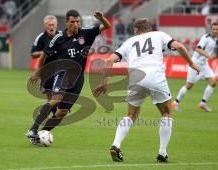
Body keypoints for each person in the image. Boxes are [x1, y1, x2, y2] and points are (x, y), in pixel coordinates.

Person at [93, 18, 200, 162]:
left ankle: (116, 144)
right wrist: (191, 64)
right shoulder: (159, 34)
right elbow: (180, 46)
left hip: (136, 78)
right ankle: (162, 152)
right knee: (166, 112)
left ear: (136, 31)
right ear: (150, 29)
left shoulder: (129, 42)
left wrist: (105, 83)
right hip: (155, 77)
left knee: (131, 115)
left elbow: (109, 61)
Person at [26, 9, 110, 144]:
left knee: (62, 112)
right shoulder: (58, 38)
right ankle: (33, 129)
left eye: (77, 21)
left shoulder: (86, 33)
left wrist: (101, 18)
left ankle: (41, 134)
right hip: (62, 73)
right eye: (72, 22)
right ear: (66, 23)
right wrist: (38, 72)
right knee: (55, 100)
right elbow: (44, 55)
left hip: (78, 79)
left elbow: (106, 26)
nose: (75, 24)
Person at [173, 22, 218, 112]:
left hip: (204, 64)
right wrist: (209, 56)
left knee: (213, 82)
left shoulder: (216, 38)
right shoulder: (205, 38)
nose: (215, 31)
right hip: (195, 64)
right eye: (214, 29)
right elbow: (198, 48)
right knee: (189, 86)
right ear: (211, 29)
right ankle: (175, 103)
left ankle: (202, 104)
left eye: (217, 29)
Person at [29, 15, 59, 122]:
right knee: (50, 97)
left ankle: (56, 115)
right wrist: (45, 52)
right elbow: (33, 54)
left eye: (53, 25)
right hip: (46, 72)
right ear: (45, 25)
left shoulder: (61, 36)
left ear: (56, 25)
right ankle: (55, 117)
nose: (51, 27)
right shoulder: (41, 37)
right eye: (49, 25)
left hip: (60, 71)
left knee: (59, 95)